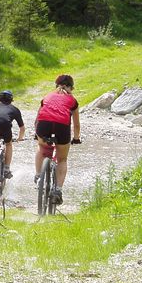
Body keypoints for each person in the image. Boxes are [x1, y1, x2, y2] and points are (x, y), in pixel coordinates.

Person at [34, 74, 81, 204]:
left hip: (43, 125)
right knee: (62, 159)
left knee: (42, 148)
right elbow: (76, 125)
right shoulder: (72, 100)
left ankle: (38, 176)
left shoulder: (47, 96)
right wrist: (76, 138)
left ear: (56, 86)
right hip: (62, 127)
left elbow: (38, 117)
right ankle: (58, 190)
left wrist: (37, 134)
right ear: (71, 87)